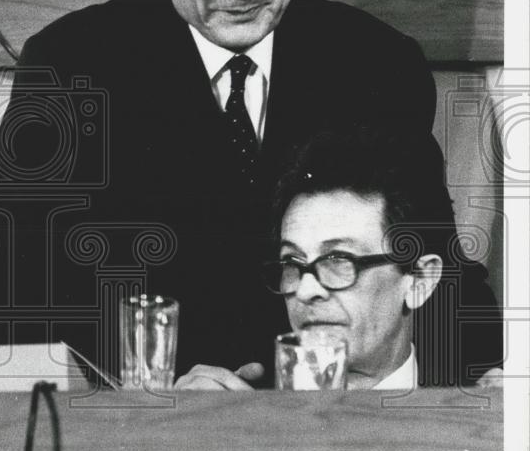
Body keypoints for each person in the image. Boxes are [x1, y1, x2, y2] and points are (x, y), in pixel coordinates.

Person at [0, 0, 500, 385]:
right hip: (156, 417)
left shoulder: (377, 62)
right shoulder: (70, 64)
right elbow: (20, 292)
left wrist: (485, 376)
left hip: (330, 409)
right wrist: (151, 385)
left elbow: (433, 261)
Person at [176, 128, 502, 390]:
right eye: (292, 262)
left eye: (337, 258)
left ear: (419, 280)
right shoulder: (237, 409)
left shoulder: (474, 416)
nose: (305, 291)